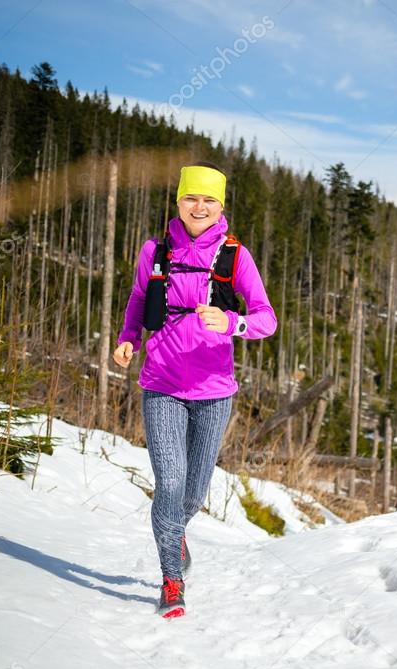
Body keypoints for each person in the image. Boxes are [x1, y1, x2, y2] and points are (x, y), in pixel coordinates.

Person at [113, 161, 277, 618]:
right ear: (179, 201)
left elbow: (267, 318)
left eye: (209, 199)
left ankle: (175, 532)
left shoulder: (235, 257)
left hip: (214, 390)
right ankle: (171, 578)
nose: (199, 206)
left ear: (220, 205)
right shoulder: (156, 250)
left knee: (192, 493)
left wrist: (232, 321)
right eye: (191, 197)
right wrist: (129, 340)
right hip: (161, 383)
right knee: (168, 482)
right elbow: (139, 299)